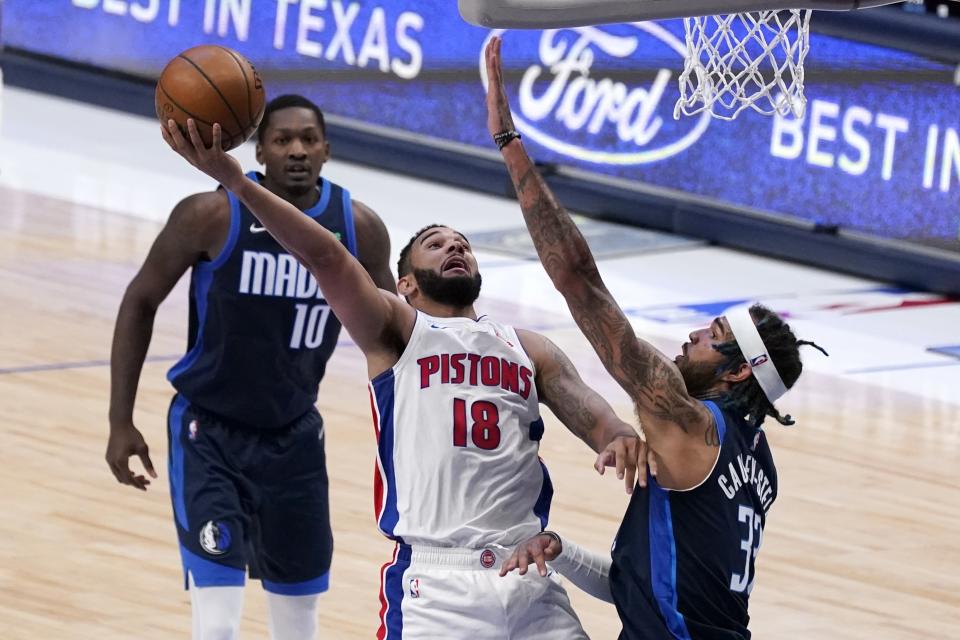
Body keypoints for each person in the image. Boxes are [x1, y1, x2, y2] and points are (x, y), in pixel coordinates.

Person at [158, 111, 648, 639]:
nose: (454, 247)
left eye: (461, 243)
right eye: (436, 245)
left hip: (529, 575)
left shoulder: (527, 347)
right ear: (406, 284)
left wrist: (618, 435)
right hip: (438, 589)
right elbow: (324, 255)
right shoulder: (396, 330)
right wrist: (234, 181)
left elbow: (594, 414)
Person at [485, 37, 827, 639]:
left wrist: (510, 145)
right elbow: (645, 585)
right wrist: (559, 548)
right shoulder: (758, 464)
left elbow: (577, 279)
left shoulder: (688, 423)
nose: (694, 334)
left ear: (738, 370)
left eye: (713, 334)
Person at [105, 94, 396, 640]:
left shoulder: (359, 229)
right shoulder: (211, 214)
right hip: (208, 434)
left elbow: (396, 335)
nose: (296, 150)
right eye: (282, 139)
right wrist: (121, 420)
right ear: (258, 149)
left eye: (308, 138)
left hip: (295, 439)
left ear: (327, 150)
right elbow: (140, 299)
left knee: (299, 624)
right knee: (217, 624)